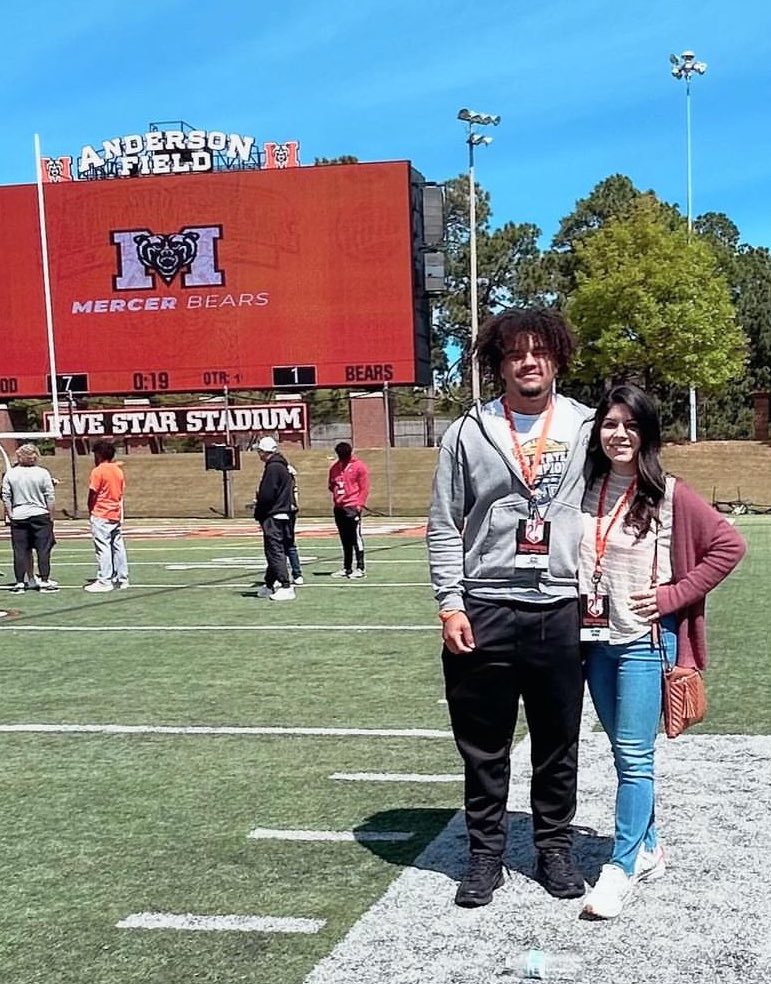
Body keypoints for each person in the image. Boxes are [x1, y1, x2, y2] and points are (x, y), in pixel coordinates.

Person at [427, 307, 594, 908]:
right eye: (516, 352)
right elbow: (445, 525)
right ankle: (485, 855)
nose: (529, 362)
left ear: (558, 358)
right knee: (483, 744)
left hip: (560, 608)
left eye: (540, 351)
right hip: (486, 605)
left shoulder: (586, 426)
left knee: (558, 741)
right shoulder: (468, 432)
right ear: (497, 362)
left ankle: (553, 847)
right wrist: (451, 604)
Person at [578, 384, 745, 920]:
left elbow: (729, 546)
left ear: (646, 433)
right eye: (609, 424)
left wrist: (673, 595)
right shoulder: (583, 488)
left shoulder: (669, 493)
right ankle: (649, 847)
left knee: (633, 756)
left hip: (644, 643)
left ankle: (620, 867)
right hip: (591, 642)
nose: (618, 434)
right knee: (624, 754)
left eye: (630, 425)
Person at [1, 444, 59, 592]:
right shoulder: (43, 473)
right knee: (43, 550)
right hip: (39, 514)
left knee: (20, 550)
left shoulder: (11, 474)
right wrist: (50, 515)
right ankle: (44, 580)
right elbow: (49, 496)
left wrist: (10, 513)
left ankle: (20, 581)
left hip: (19, 515)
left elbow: (6, 496)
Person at [253, 436, 296, 602]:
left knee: (274, 551)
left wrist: (259, 511)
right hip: (283, 513)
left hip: (274, 515)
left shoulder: (273, 468)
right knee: (275, 550)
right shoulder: (282, 467)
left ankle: (286, 585)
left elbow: (267, 494)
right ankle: (269, 584)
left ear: (264, 452)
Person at [84, 440, 129, 592]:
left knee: (103, 548)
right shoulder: (118, 470)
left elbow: (93, 492)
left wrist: (90, 508)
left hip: (101, 512)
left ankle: (105, 580)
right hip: (114, 512)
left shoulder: (98, 471)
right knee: (118, 547)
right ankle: (122, 578)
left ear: (98, 454)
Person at [328, 442, 370, 579]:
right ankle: (347, 567)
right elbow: (331, 485)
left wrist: (359, 504)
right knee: (344, 539)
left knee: (355, 538)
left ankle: (360, 567)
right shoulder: (334, 468)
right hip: (339, 507)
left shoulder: (359, 466)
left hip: (352, 506)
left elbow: (364, 487)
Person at [286, 462, 303, 586]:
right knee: (290, 544)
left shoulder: (282, 480)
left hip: (284, 512)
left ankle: (279, 575)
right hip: (291, 511)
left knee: (278, 546)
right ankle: (297, 574)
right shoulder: (291, 482)